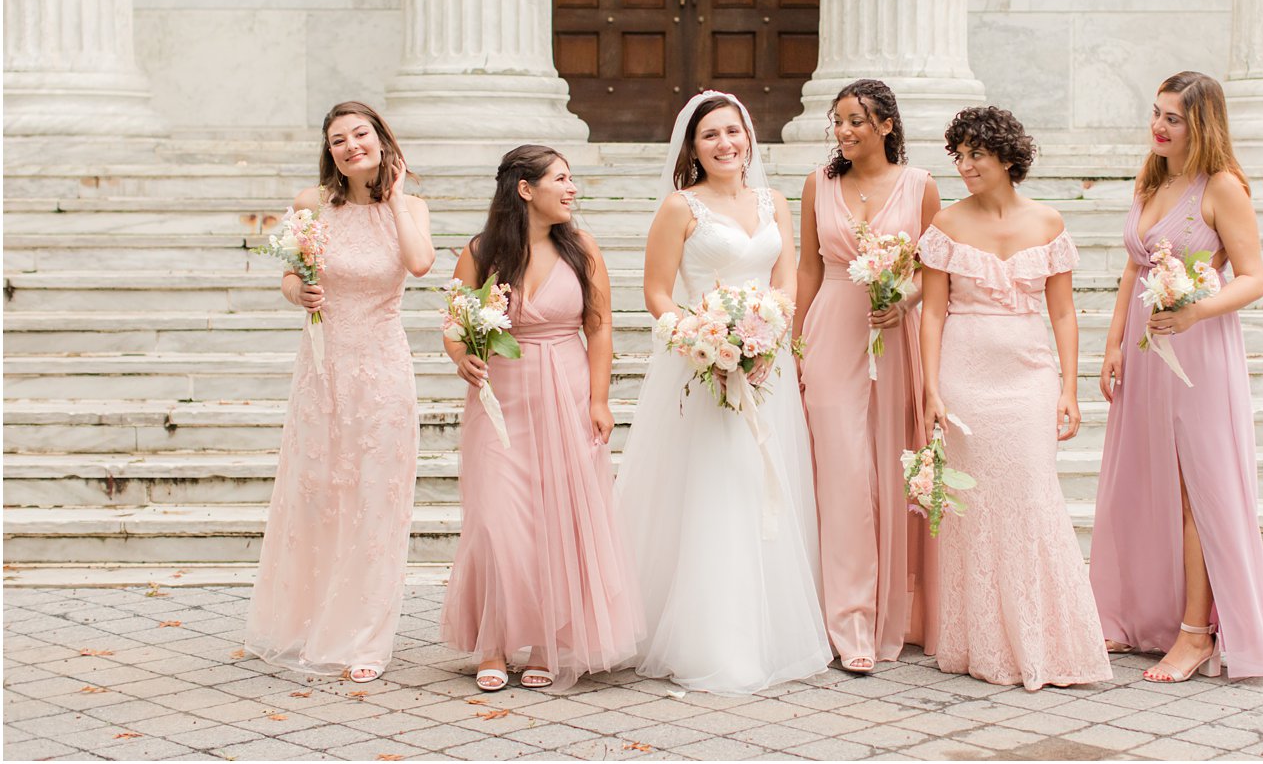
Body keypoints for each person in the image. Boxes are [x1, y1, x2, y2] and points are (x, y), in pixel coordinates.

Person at [614, 91, 831, 695]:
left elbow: (785, 276)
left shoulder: (775, 203)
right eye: (710, 135)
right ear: (693, 148)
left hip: (767, 366)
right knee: (715, 485)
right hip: (703, 363)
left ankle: (769, 632)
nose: (725, 144)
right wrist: (699, 338)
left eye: (732, 132)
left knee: (762, 482)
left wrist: (768, 333)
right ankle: (711, 639)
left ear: (749, 138)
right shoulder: (680, 208)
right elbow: (657, 290)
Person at [1091, 71, 1263, 682]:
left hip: (1198, 353)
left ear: (1201, 124)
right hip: (1148, 353)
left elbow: (1253, 277)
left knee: (1199, 489)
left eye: (1173, 118)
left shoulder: (1221, 187)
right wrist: (1115, 341)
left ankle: (1198, 634)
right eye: (1156, 113)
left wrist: (1195, 311)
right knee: (1148, 481)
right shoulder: (1154, 178)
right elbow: (1132, 268)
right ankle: (1145, 613)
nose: (1158, 127)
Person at [918, 106, 1111, 691]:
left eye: (977, 154)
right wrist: (930, 389)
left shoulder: (1049, 223)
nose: (966, 166)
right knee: (975, 508)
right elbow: (930, 314)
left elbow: (1063, 313)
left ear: (1007, 158)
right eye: (959, 155)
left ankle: (1046, 638)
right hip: (964, 377)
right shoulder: (946, 225)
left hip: (1028, 378)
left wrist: (1069, 390)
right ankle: (982, 643)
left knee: (1032, 496)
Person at [438, 145, 642, 691]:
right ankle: (493, 642)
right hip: (501, 400)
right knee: (496, 519)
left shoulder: (583, 249)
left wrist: (599, 400)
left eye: (571, 179)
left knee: (558, 520)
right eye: (562, 179)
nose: (572, 189)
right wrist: (463, 357)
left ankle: (548, 643)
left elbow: (599, 326)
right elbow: (454, 326)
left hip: (567, 390)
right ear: (526, 189)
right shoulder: (481, 253)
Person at [245, 100, 435, 683]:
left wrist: (397, 198)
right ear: (329, 153)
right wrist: (294, 293)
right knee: (320, 493)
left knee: (375, 498)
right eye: (337, 140)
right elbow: (288, 274)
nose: (351, 146)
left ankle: (365, 638)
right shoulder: (310, 206)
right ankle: (309, 622)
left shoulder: (413, 207)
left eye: (360, 135)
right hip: (322, 369)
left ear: (381, 139)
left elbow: (421, 264)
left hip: (381, 368)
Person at [795, 80, 940, 673]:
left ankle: (902, 614)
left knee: (890, 472)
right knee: (844, 476)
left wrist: (905, 298)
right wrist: (794, 345)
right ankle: (849, 620)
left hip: (897, 342)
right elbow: (807, 267)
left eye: (858, 121)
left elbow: (936, 270)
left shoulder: (922, 186)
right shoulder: (817, 184)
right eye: (839, 121)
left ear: (886, 125)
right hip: (832, 332)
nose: (845, 131)